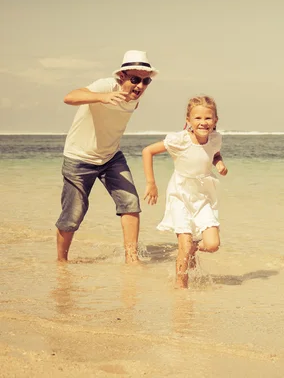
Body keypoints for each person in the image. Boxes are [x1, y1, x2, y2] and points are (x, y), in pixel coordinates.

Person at [56, 50, 159, 264]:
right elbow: (70, 97)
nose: (140, 86)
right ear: (122, 76)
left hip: (111, 157)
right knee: (73, 214)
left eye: (145, 81)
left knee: (130, 202)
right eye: (135, 79)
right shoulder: (106, 86)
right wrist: (102, 97)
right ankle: (61, 262)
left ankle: (131, 259)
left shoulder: (135, 100)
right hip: (79, 159)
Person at [142, 95, 228, 288]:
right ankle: (181, 289)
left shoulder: (215, 138)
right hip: (180, 194)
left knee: (213, 244)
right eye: (197, 118)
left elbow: (214, 153)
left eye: (208, 118)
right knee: (184, 244)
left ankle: (192, 248)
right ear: (188, 120)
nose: (203, 122)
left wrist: (219, 163)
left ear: (215, 121)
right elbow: (148, 151)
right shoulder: (179, 140)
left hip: (204, 195)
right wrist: (151, 183)